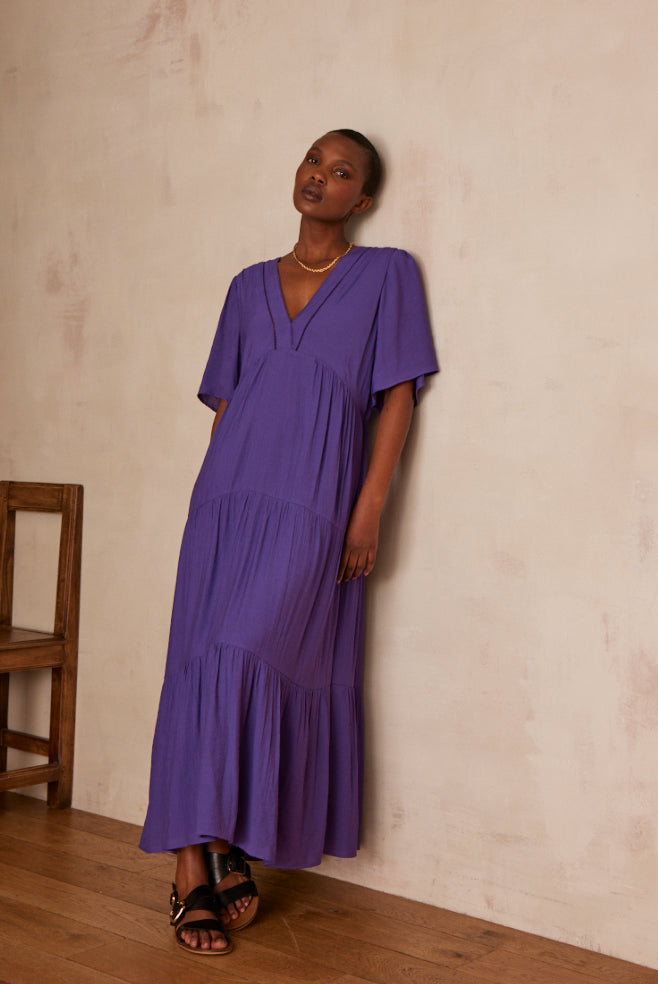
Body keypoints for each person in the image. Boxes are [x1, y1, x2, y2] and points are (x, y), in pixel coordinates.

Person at [140, 129, 439, 955]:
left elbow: (398, 398)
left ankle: (221, 842)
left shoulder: (387, 275)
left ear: (361, 200)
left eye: (341, 172)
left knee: (240, 654)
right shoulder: (246, 287)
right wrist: (209, 513)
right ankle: (193, 867)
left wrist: (368, 511)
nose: (320, 176)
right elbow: (227, 412)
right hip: (225, 506)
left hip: (313, 508)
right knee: (202, 663)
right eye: (314, 160)